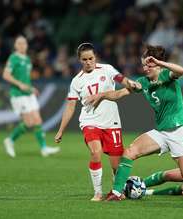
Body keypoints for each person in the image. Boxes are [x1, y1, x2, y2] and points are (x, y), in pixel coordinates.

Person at [85, 45, 183, 201]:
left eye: (149, 65)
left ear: (158, 64)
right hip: (161, 132)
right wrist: (102, 95)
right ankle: (116, 193)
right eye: (144, 65)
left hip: (179, 131)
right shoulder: (143, 81)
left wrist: (160, 63)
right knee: (129, 152)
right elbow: (119, 93)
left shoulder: (167, 75)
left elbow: (181, 71)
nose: (145, 68)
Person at [54, 42, 141, 201]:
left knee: (116, 165)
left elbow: (121, 78)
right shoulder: (76, 81)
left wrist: (130, 83)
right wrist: (61, 130)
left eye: (90, 58)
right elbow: (71, 106)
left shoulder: (107, 69)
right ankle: (98, 192)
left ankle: (117, 190)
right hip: (89, 121)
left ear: (95, 57)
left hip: (111, 121)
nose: (88, 62)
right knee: (95, 151)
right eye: (84, 59)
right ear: (79, 60)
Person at [2, 35, 60, 157]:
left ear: (27, 45)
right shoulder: (13, 58)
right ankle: (10, 140)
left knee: (37, 120)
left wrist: (31, 88)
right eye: (19, 43)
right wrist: (19, 85)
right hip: (18, 94)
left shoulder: (27, 59)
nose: (22, 45)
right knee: (28, 122)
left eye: (24, 43)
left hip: (28, 93)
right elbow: (6, 75)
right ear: (15, 45)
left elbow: (25, 79)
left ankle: (44, 148)